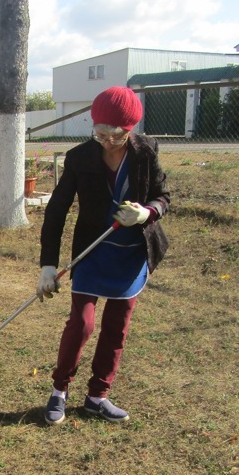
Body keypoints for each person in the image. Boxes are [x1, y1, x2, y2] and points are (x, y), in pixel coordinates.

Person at [37, 86, 169, 426]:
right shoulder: (80, 157)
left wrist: (146, 213)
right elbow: (56, 212)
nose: (108, 142)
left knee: (116, 327)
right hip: (92, 253)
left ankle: (98, 396)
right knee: (82, 324)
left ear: (131, 129)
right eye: (100, 135)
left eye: (116, 136)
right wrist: (47, 265)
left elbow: (163, 196)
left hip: (131, 257)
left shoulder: (146, 152)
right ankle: (59, 391)